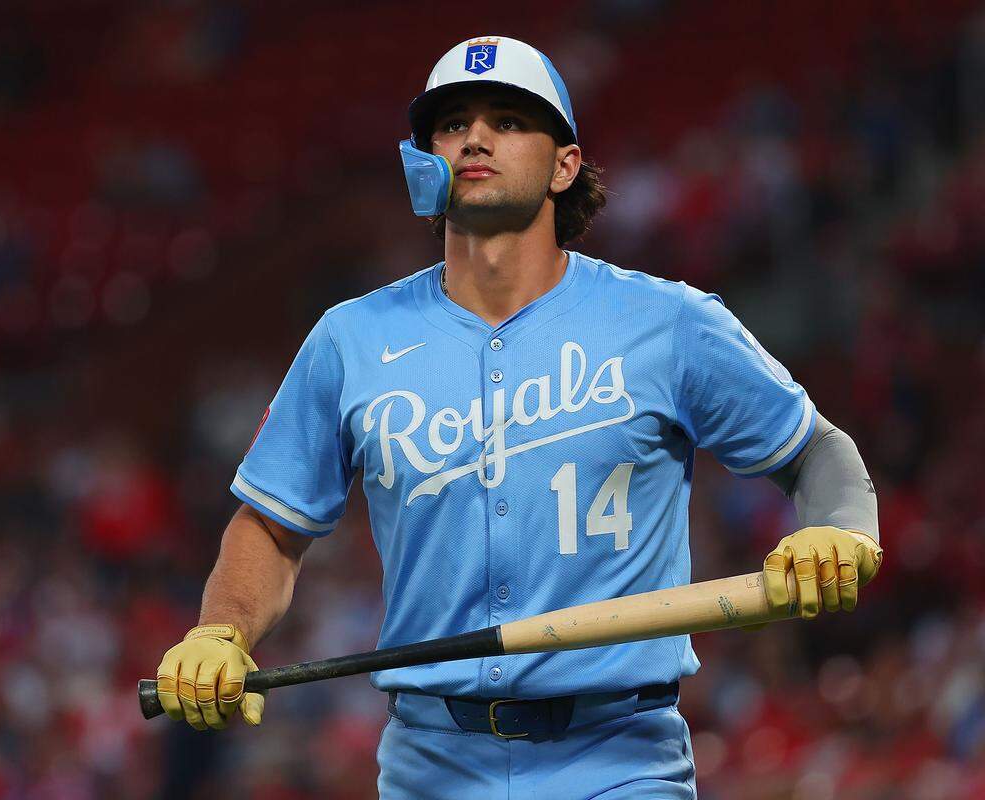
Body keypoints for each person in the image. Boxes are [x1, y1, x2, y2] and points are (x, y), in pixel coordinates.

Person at [155, 36, 882, 798]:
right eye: (452, 123)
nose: (475, 136)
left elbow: (815, 451)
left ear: (565, 165)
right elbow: (270, 525)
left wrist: (838, 522)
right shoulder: (350, 339)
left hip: (621, 760)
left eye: (507, 121)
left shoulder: (667, 322)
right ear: (425, 158)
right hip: (430, 766)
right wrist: (221, 629)